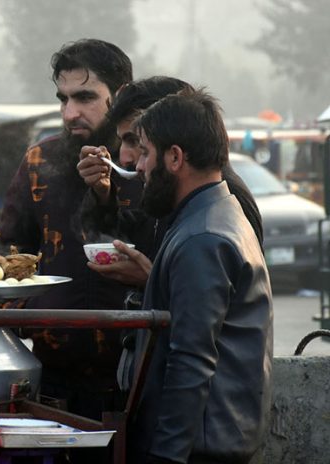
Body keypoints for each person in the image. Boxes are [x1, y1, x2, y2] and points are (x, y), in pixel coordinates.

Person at [0, 38, 133, 462]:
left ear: (119, 95)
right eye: (63, 98)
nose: (71, 112)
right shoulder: (40, 160)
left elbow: (163, 252)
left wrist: (111, 194)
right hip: (50, 377)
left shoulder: (146, 163)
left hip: (130, 375)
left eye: (85, 97)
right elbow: (7, 254)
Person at [126, 89, 272, 463]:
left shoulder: (203, 238)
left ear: (175, 157)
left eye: (144, 152)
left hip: (198, 451)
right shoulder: (211, 216)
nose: (138, 166)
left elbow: (191, 359)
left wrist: (166, 456)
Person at [78, 75, 264, 289]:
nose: (125, 157)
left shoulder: (219, 199)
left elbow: (217, 306)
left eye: (136, 141)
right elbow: (123, 235)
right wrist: (102, 194)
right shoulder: (169, 188)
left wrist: (150, 281)